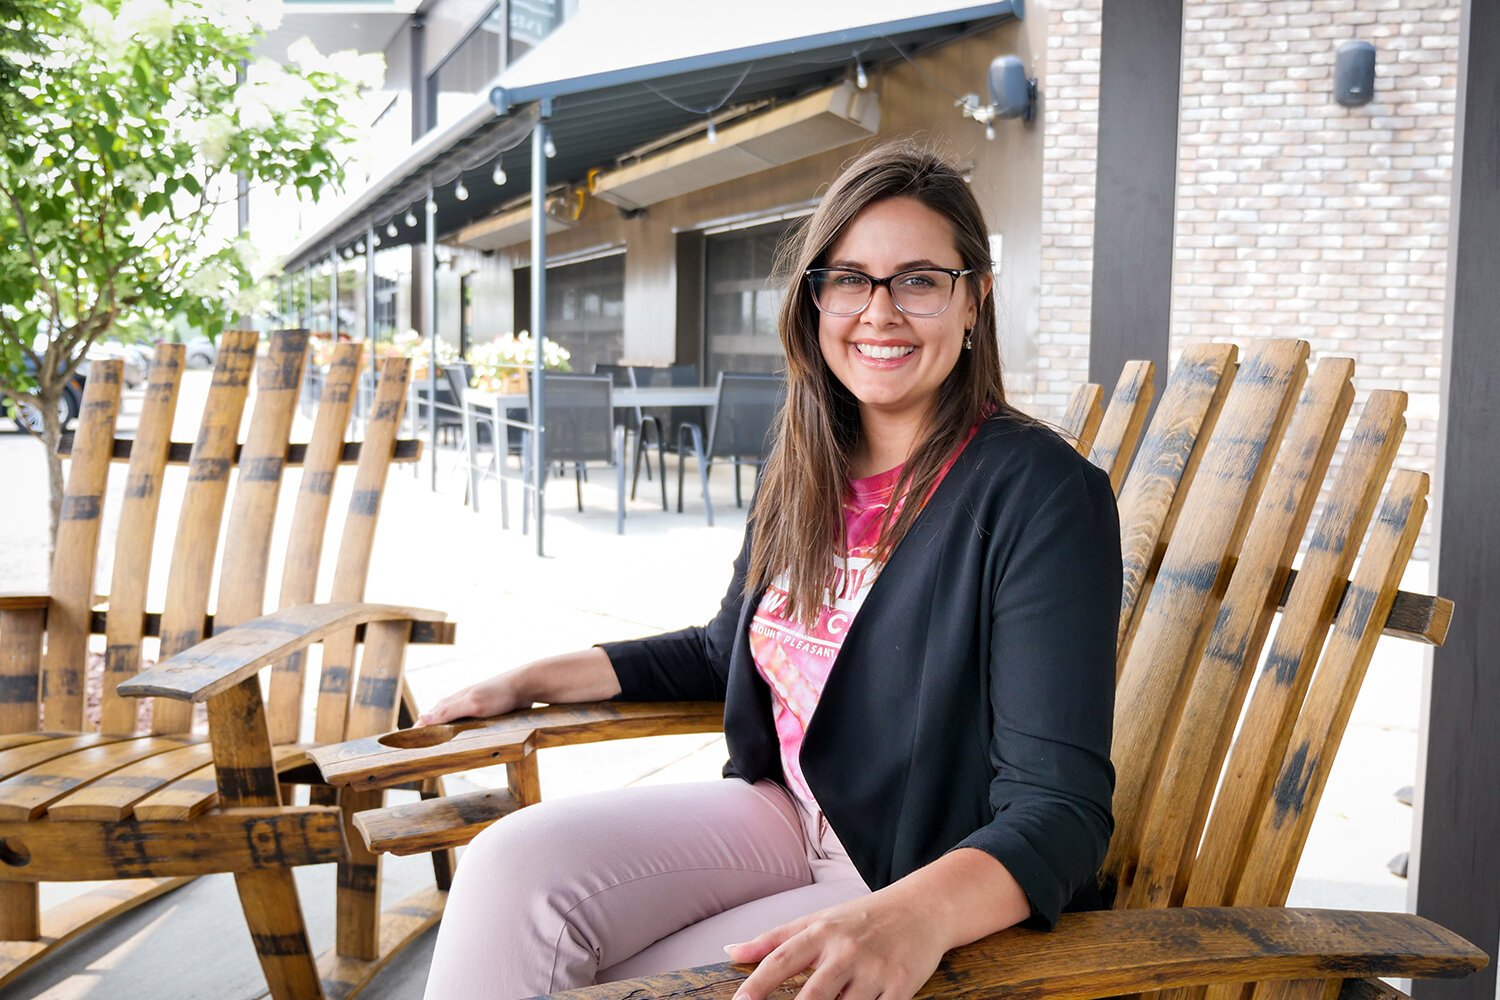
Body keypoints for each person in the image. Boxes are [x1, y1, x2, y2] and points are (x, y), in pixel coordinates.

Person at [417, 141, 1122, 1000]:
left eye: (919, 280)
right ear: (815, 299)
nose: (880, 312)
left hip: (910, 869)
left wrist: (912, 917)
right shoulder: (808, 461)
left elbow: (1063, 809)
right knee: (511, 869)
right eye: (850, 278)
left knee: (613, 984)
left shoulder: (1037, 492)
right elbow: (728, 649)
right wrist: (534, 677)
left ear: (974, 299)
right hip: (784, 812)